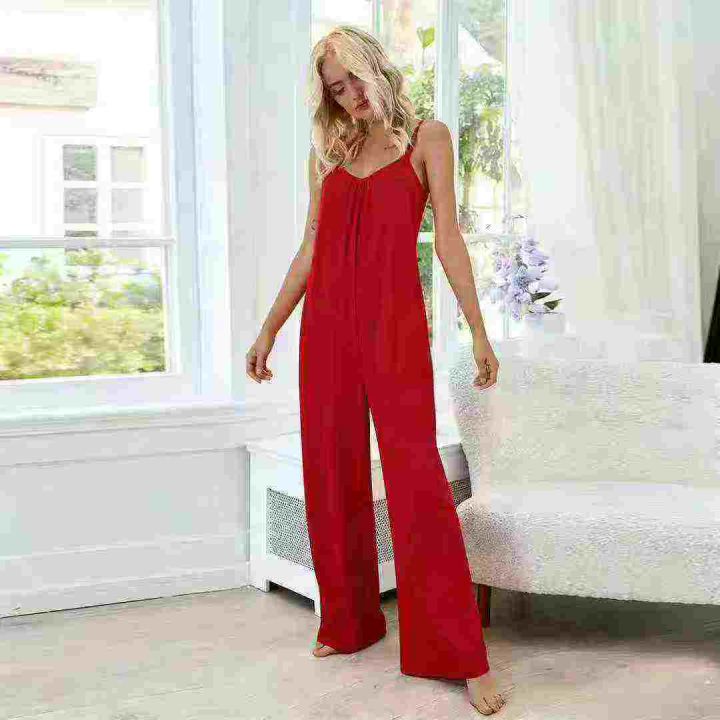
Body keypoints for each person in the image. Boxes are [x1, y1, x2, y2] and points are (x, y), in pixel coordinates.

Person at [246, 25, 510, 717]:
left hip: (395, 331)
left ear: (378, 69)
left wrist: (478, 329)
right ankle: (350, 621)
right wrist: (270, 328)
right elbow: (310, 249)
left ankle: (457, 653)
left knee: (418, 482)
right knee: (331, 471)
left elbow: (447, 239)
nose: (350, 97)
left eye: (354, 81)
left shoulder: (427, 138)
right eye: (336, 90)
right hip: (327, 332)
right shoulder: (328, 153)